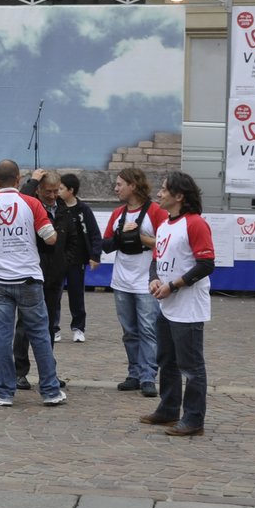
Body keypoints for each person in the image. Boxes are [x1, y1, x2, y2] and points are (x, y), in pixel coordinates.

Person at [0, 158, 66, 407]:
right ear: (18, 179)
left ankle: (5, 392)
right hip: (28, 278)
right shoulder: (32, 203)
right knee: (39, 336)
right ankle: (50, 390)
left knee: (2, 338)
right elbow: (50, 239)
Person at [140, 171, 217, 437]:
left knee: (191, 367)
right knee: (167, 360)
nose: (158, 194)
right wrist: (154, 278)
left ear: (179, 196)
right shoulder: (164, 226)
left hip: (188, 308)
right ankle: (169, 408)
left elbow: (206, 264)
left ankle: (194, 419)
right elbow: (156, 258)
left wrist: (173, 285)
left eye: (163, 189)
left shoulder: (195, 224)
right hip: (167, 306)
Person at [102, 168, 169, 397]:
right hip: (122, 280)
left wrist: (138, 236)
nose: (116, 188)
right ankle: (134, 373)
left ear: (133, 185)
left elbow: (164, 245)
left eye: (120, 184)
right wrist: (122, 234)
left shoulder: (156, 212)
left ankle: (149, 376)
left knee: (148, 330)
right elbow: (107, 245)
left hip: (146, 281)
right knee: (129, 331)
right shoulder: (118, 213)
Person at [12, 169, 66, 390]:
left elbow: (71, 240)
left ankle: (48, 372)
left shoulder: (64, 208)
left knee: (50, 325)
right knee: (24, 326)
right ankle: (19, 372)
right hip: (32, 273)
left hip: (55, 275)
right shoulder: (29, 204)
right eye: (47, 192)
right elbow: (19, 196)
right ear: (38, 190)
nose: (52, 196)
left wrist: (66, 263)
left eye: (56, 191)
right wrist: (31, 180)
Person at [50, 172, 101, 343]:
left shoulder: (83, 210)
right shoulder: (55, 207)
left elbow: (94, 233)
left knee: (76, 294)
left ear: (71, 190)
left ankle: (78, 327)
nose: (57, 192)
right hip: (57, 258)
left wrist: (95, 255)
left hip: (77, 259)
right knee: (54, 294)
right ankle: (54, 328)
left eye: (61, 188)